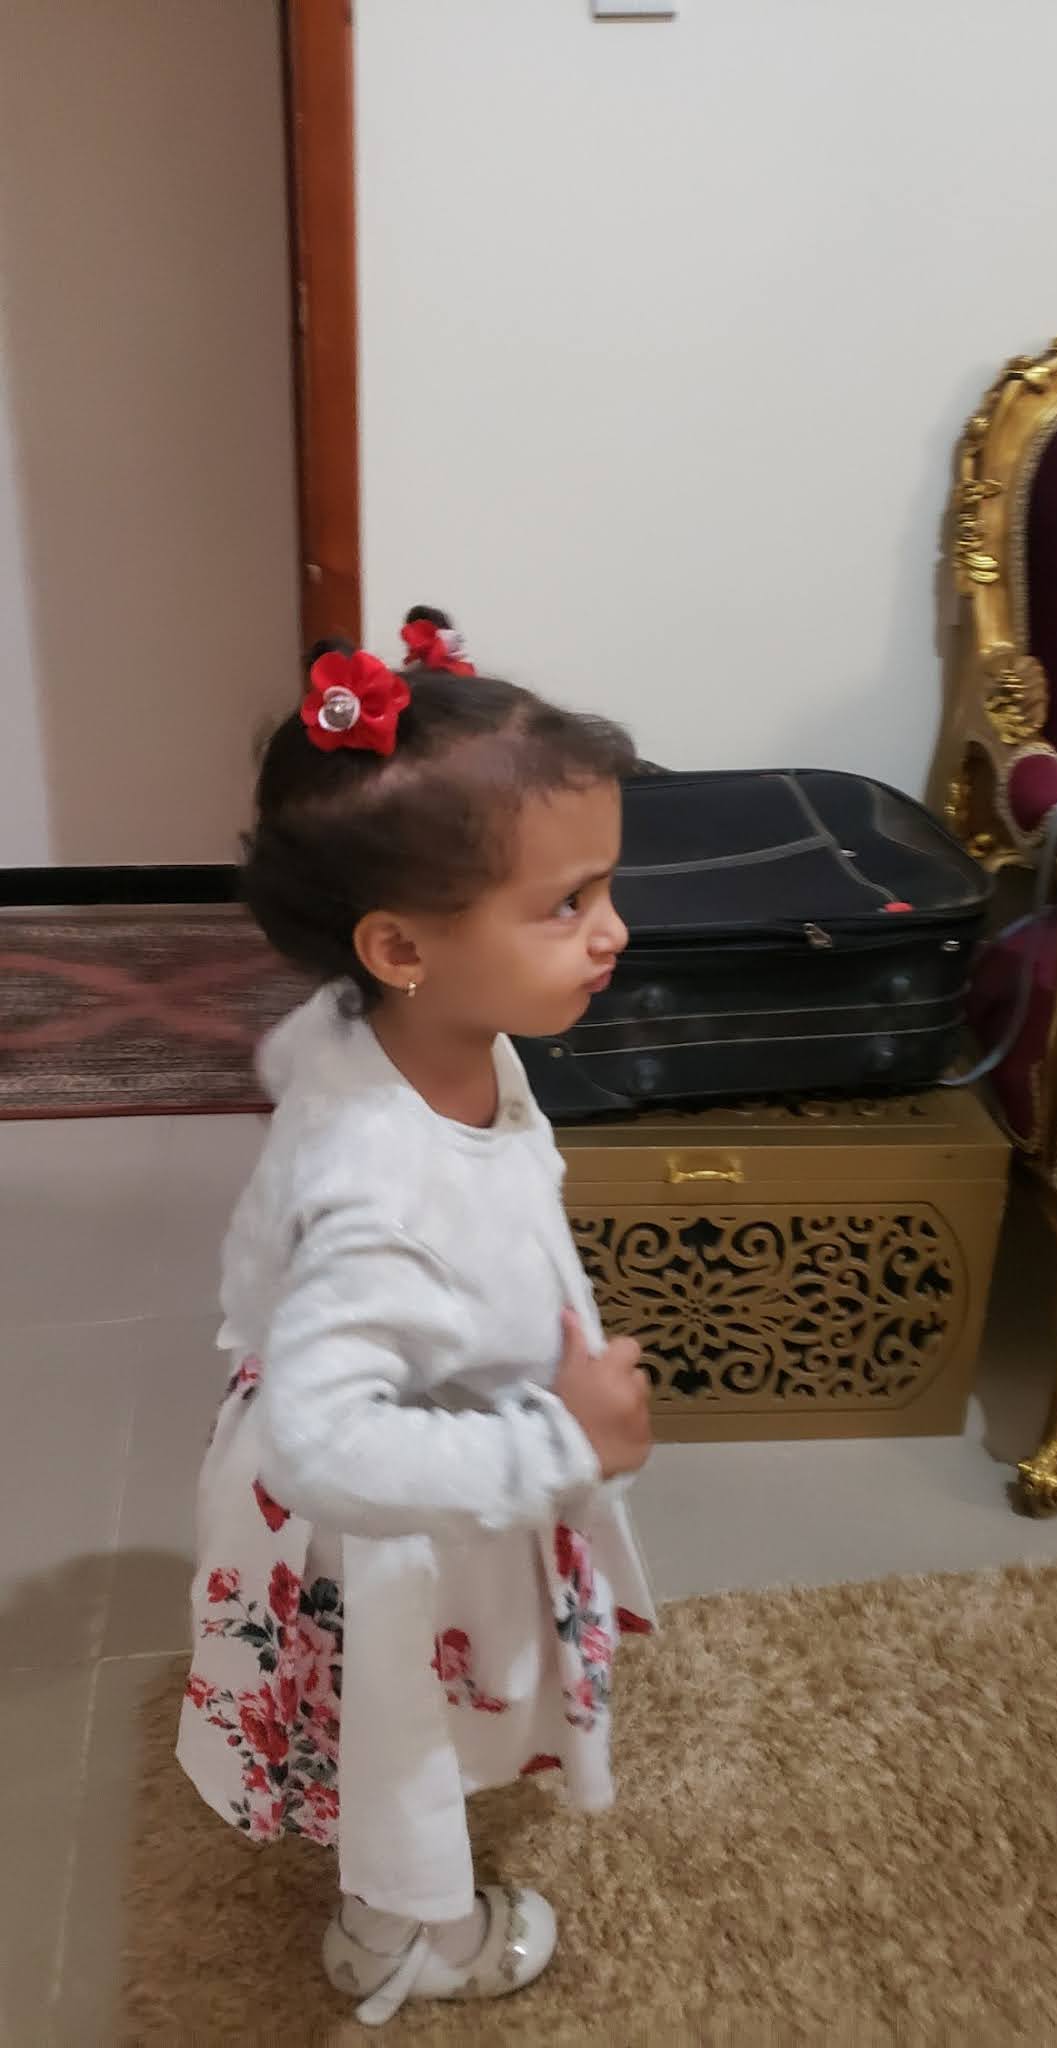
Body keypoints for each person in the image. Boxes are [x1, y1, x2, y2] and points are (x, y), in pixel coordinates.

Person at [176, 608, 656, 2026]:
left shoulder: (413, 1030)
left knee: (421, 1720)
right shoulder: (377, 1193)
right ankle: (402, 1939)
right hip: (392, 1512)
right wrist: (555, 1444)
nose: (613, 931)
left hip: (443, 1439)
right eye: (565, 905)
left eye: (606, 886)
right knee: (394, 1737)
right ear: (399, 946)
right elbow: (326, 1449)